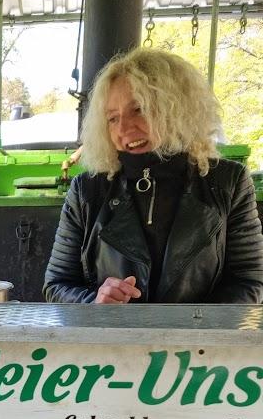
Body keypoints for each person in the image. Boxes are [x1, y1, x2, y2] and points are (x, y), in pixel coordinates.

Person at [43, 47, 263, 305]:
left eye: (139, 110)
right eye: (112, 118)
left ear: (177, 109)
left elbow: (250, 280)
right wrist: (93, 304)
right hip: (113, 342)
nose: (124, 128)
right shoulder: (87, 190)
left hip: (198, 344)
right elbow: (56, 284)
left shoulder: (228, 182)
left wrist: (194, 327)